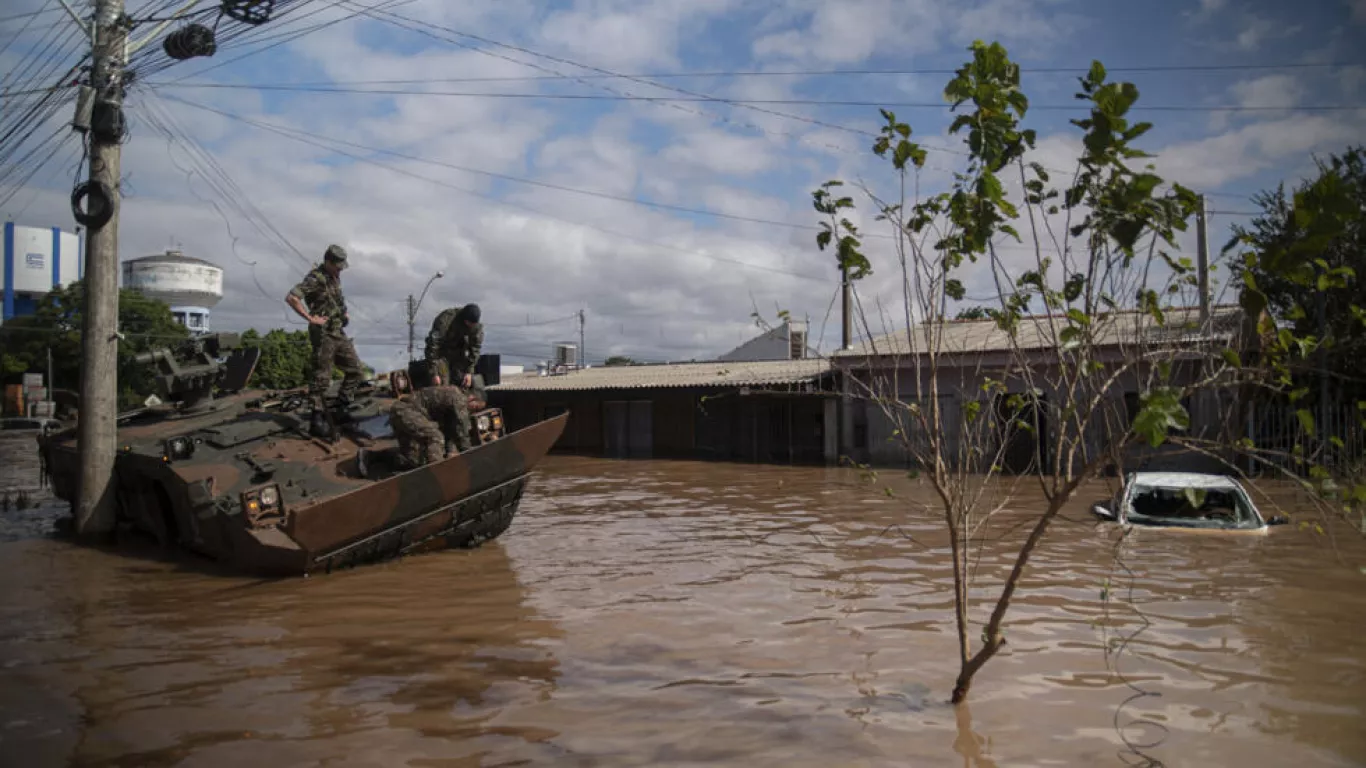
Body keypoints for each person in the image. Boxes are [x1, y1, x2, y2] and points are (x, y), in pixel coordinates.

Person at [285, 245, 367, 411]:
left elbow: (337, 299)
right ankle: (317, 417)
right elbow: (292, 297)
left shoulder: (334, 278)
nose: (340, 270)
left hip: (338, 331)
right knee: (322, 378)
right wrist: (310, 318)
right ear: (328, 262)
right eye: (337, 266)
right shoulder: (315, 278)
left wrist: (344, 313)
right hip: (324, 334)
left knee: (356, 371)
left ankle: (342, 405)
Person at [389, 384, 474, 468]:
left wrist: (449, 452)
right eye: (476, 407)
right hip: (406, 410)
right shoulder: (459, 398)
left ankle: (385, 457)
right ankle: (438, 471)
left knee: (414, 460)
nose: (472, 412)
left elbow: (448, 432)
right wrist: (469, 455)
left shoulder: (449, 407)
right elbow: (462, 428)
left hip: (399, 412)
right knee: (435, 436)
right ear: (472, 399)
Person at [424, 303, 484, 389]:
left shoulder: (476, 326)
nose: (471, 326)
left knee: (470, 383)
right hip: (441, 356)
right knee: (442, 384)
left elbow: (475, 349)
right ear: (464, 319)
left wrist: (469, 372)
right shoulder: (445, 320)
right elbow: (432, 347)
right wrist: (434, 373)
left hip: (459, 356)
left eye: (473, 324)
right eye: (469, 323)